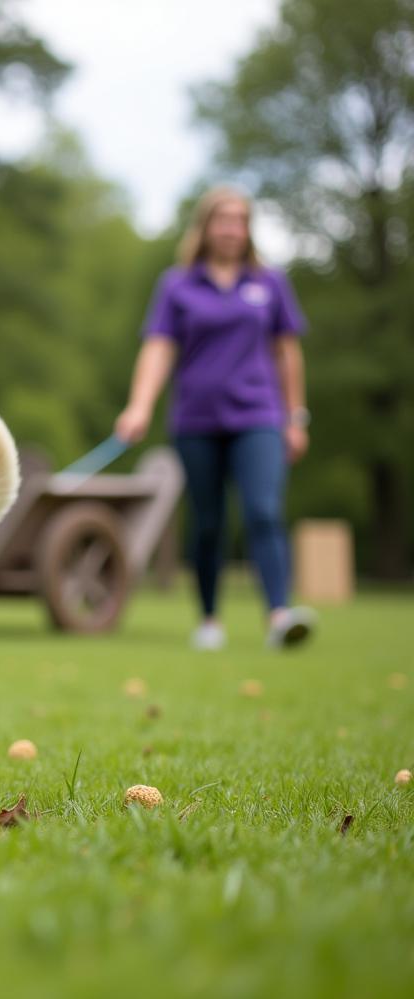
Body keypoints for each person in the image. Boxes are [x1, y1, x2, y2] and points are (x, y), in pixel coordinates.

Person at [115, 184, 315, 650]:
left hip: (259, 415)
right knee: (207, 522)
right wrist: (140, 405)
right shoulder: (178, 284)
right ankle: (209, 619)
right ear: (206, 227)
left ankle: (280, 615)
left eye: (240, 220)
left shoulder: (270, 284)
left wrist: (296, 417)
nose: (231, 228)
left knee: (263, 511)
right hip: (197, 420)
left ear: (249, 229)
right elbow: (159, 349)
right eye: (223, 219)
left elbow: (288, 353)